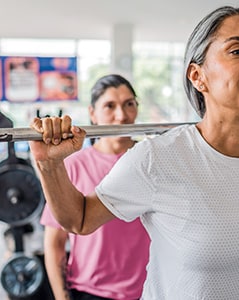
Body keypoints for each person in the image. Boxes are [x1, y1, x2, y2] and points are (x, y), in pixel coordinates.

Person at [29, 5, 239, 300]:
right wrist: (49, 165)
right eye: (238, 50)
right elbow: (79, 220)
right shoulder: (157, 158)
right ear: (197, 76)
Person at [39, 74, 150, 300]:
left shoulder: (151, 162)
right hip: (90, 292)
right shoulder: (72, 165)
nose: (122, 116)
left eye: (129, 104)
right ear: (93, 113)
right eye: (110, 106)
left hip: (150, 291)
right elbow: (54, 243)